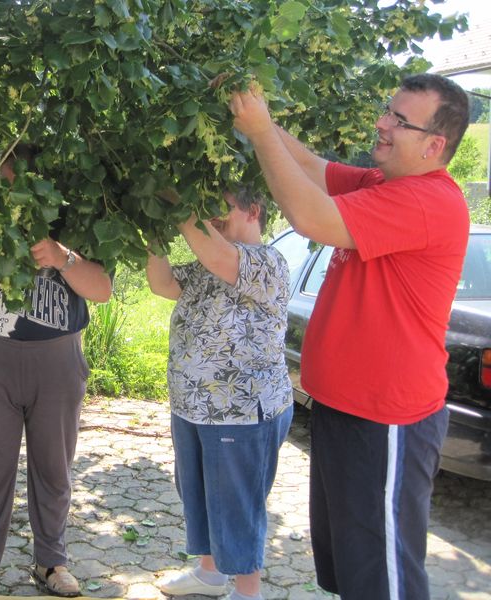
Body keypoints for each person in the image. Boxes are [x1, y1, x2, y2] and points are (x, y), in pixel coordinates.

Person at [228, 73, 470, 600]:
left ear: (434, 145)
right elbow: (311, 169)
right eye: (388, 110)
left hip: (386, 419)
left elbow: (311, 217)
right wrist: (254, 115)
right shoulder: (381, 184)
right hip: (345, 409)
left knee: (384, 579)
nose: (382, 123)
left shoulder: (427, 200)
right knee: (354, 572)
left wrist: (262, 131)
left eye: (399, 120)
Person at [0, 147, 113, 600]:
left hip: (58, 361)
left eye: (19, 180)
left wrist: (62, 257)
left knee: (54, 468)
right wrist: (5, 257)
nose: (12, 191)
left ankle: (51, 561)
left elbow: (102, 290)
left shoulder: (77, 221)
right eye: (4, 183)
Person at [147, 188, 293, 600]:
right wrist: (153, 228)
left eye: (220, 208)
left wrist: (174, 201)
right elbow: (162, 283)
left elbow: (218, 257)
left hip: (241, 413)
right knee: (198, 495)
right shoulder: (207, 266)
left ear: (253, 211)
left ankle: (248, 592)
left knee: (236, 504)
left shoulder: (267, 262)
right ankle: (209, 574)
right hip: (193, 406)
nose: (211, 216)